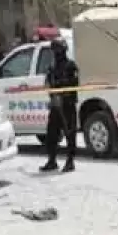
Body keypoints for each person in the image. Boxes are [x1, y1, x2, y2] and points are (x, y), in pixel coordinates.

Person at [41, 37, 79, 174]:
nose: (57, 53)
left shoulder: (71, 65)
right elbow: (47, 83)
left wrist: (62, 90)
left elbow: (74, 83)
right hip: (55, 105)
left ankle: (70, 161)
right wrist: (51, 91)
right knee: (51, 133)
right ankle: (52, 160)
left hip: (67, 105)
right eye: (55, 50)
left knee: (70, 133)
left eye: (58, 50)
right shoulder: (52, 67)